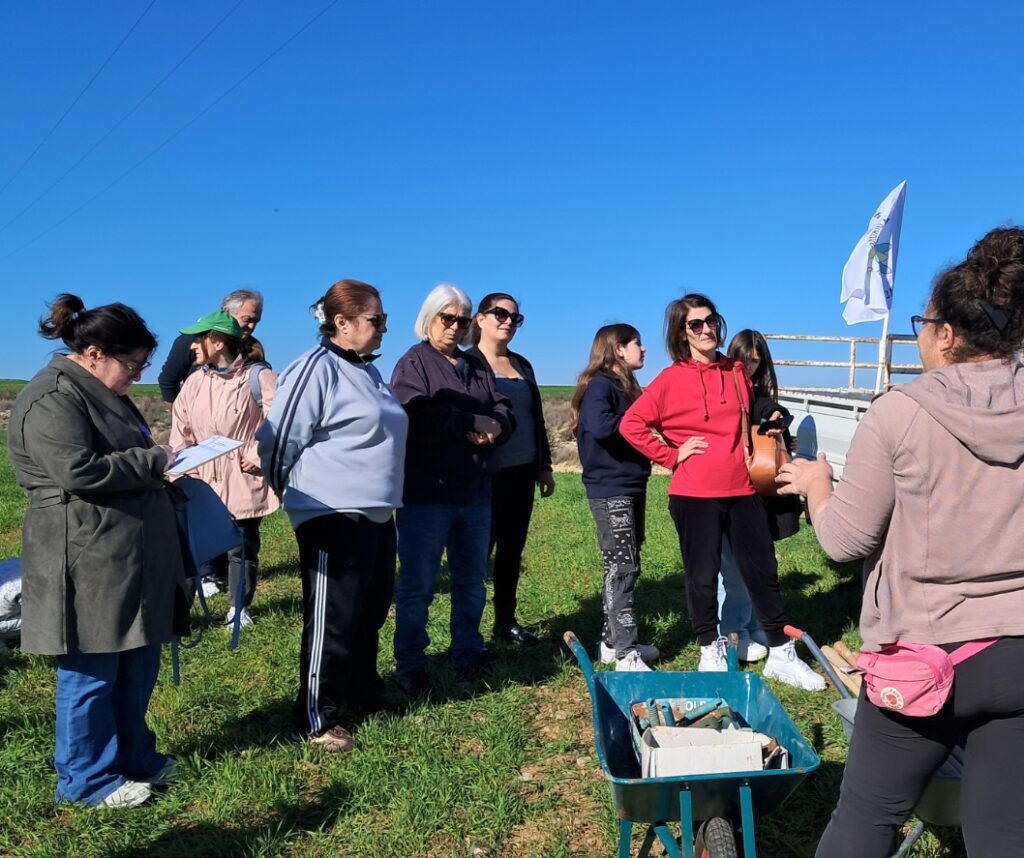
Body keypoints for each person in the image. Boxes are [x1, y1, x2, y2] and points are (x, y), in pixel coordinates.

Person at [778, 227, 1024, 857]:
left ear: (945, 334)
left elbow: (844, 540)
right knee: (1004, 835)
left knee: (866, 818)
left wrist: (817, 484)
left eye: (922, 322)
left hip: (926, 658)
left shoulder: (900, 411)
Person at [7, 294, 188, 808]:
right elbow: (77, 471)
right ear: (91, 352)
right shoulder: (52, 396)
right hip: (83, 553)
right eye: (132, 364)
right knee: (92, 670)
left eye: (143, 365)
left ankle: (134, 755)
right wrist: (152, 461)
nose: (138, 375)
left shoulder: (100, 390)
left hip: (125, 551)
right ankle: (86, 779)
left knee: (136, 659)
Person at [619, 293, 824, 690]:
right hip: (693, 494)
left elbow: (756, 402)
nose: (707, 329)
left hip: (743, 488)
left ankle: (781, 652)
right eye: (696, 324)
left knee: (762, 572)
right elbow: (632, 424)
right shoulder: (670, 379)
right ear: (682, 333)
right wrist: (672, 455)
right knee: (701, 575)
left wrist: (772, 413)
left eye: (711, 320)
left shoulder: (734, 371)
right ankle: (708, 647)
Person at [257, 279, 407, 753]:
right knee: (333, 617)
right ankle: (316, 715)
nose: (384, 328)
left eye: (383, 320)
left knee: (370, 610)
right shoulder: (315, 367)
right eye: (376, 320)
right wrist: (296, 497)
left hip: (377, 513)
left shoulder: (367, 371)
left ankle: (363, 695)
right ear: (341, 322)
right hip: (330, 512)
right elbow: (277, 440)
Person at [390, 283, 514, 696]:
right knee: (418, 584)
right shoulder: (414, 364)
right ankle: (411, 664)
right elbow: (414, 417)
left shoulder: (473, 364)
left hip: (476, 491)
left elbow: (502, 407)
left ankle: (468, 650)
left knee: (472, 580)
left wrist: (495, 426)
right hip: (427, 493)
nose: (457, 327)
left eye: (463, 320)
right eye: (448, 318)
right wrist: (469, 422)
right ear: (429, 318)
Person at [169, 309, 279, 627]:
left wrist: (258, 454)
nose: (191, 347)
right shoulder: (193, 383)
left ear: (217, 342)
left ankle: (238, 609)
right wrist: (182, 470)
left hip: (242, 478)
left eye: (197, 340)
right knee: (192, 547)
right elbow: (181, 430)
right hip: (201, 480)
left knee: (241, 546)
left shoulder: (258, 377)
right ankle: (181, 615)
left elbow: (280, 421)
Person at [467, 292, 555, 646]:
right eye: (499, 314)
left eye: (514, 318)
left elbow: (537, 419)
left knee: (511, 550)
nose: (507, 321)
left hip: (522, 473)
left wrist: (544, 465)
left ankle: (505, 622)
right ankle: (467, 630)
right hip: (483, 475)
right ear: (480, 319)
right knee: (477, 552)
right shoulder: (466, 363)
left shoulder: (522, 364)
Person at [571, 324, 660, 671]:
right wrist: (638, 421)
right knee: (622, 567)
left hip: (630, 485)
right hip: (612, 490)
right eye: (638, 343)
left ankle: (612, 643)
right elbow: (601, 426)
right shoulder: (600, 386)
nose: (645, 349)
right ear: (618, 349)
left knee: (626, 563)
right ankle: (626, 653)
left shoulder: (623, 388)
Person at [716, 329, 803, 663]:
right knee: (736, 570)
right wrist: (771, 416)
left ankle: (750, 625)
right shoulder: (728, 388)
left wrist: (783, 434)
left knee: (756, 565)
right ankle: (732, 632)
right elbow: (759, 411)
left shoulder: (756, 389)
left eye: (756, 361)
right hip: (734, 489)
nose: (750, 367)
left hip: (756, 489)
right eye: (745, 360)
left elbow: (764, 411)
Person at [158, 289, 263, 404]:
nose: (252, 326)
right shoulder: (192, 341)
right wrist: (182, 416)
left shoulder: (254, 349)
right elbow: (167, 382)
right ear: (226, 312)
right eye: (247, 319)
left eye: (256, 321)